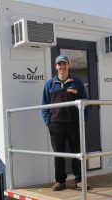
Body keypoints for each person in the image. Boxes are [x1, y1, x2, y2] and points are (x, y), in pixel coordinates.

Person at [41, 55, 89, 191]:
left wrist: (84, 119)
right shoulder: (49, 84)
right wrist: (48, 122)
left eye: (64, 64)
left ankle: (79, 180)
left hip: (74, 124)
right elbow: (44, 105)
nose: (62, 67)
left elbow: (85, 102)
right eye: (59, 64)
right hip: (56, 126)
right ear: (56, 67)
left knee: (77, 153)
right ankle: (60, 181)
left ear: (68, 65)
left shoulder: (77, 82)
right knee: (59, 154)